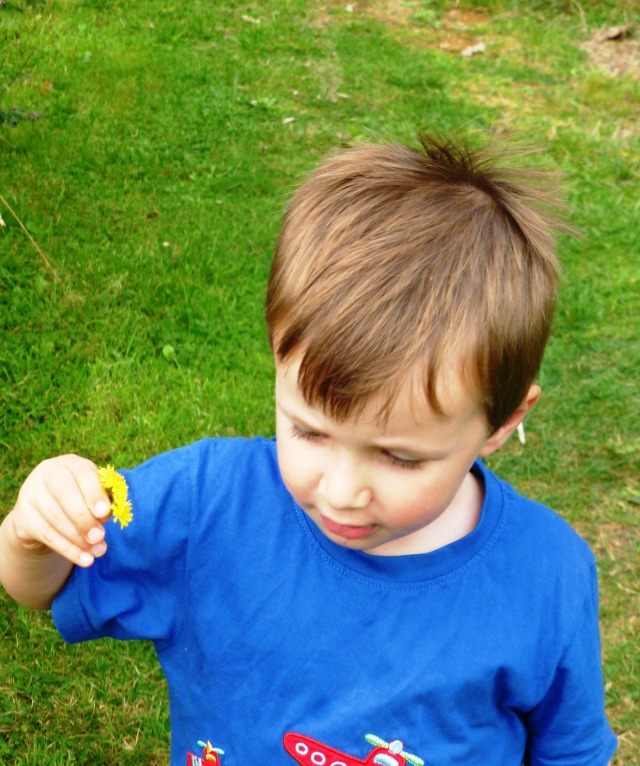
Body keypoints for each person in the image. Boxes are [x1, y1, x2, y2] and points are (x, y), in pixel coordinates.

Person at [0, 133, 617, 766]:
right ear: (276, 354)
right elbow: (45, 587)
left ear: (501, 422)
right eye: (310, 432)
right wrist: (32, 536)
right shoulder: (208, 507)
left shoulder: (546, 575)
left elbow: (571, 752)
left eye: (400, 458)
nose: (342, 490)